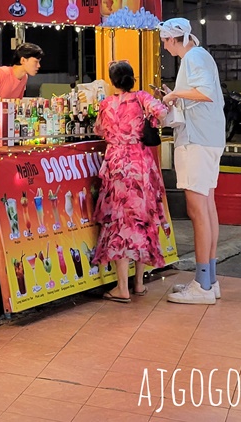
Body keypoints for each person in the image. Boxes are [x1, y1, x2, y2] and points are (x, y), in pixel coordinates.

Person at [158, 18, 226, 305]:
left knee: (197, 209)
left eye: (164, 40)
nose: (163, 46)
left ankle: (202, 285)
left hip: (197, 140)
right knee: (207, 207)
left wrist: (173, 94)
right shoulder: (200, 56)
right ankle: (208, 278)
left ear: (174, 39)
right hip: (208, 138)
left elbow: (205, 93)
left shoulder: (194, 57)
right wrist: (176, 97)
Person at [92, 60, 168, 303]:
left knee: (119, 222)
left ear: (113, 82)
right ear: (133, 79)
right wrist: (162, 102)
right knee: (141, 220)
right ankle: (138, 284)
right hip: (139, 165)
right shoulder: (142, 98)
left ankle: (122, 288)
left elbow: (98, 130)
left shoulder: (106, 103)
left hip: (116, 164)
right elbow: (163, 114)